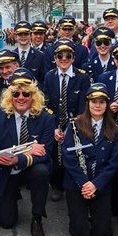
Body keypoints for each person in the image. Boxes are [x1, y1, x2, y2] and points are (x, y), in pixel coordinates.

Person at [0, 69, 55, 236]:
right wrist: (27, 151)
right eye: (16, 94)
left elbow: (45, 153)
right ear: (9, 95)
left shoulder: (46, 118)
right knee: (7, 222)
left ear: (33, 95)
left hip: (31, 168)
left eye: (26, 94)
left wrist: (18, 159)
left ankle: (37, 218)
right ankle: (10, 193)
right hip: (5, 170)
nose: (21, 98)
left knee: (42, 171)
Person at [61, 83, 118, 236]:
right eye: (94, 101)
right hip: (77, 183)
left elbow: (113, 162)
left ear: (107, 104)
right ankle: (80, 216)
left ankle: (94, 213)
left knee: (102, 235)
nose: (97, 105)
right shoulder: (74, 125)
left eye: (102, 102)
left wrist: (95, 184)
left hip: (100, 183)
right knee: (81, 235)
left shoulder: (114, 129)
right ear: (87, 103)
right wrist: (84, 184)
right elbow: (68, 157)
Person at [42, 38, 92, 201]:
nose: (64, 59)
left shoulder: (82, 77)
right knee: (55, 156)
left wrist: (71, 128)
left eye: (68, 55)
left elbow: (83, 107)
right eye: (60, 56)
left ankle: (75, 184)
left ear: (73, 57)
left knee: (75, 154)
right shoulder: (49, 76)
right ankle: (57, 185)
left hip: (76, 123)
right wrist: (54, 127)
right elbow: (47, 104)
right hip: (55, 123)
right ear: (54, 58)